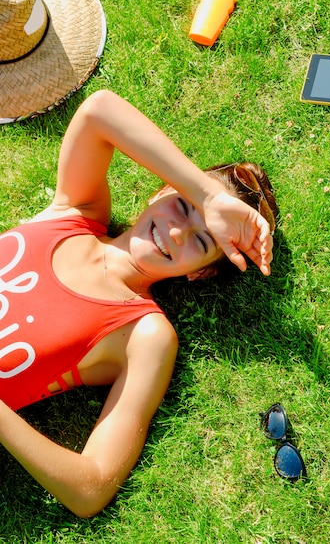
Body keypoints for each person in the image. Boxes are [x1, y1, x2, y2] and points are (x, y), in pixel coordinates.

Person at [0, 90, 277, 518]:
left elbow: (91, 486)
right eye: (184, 206)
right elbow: (99, 111)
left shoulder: (144, 335)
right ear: (162, 189)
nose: (178, 233)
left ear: (200, 272)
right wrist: (209, 196)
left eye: (202, 241)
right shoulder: (75, 211)